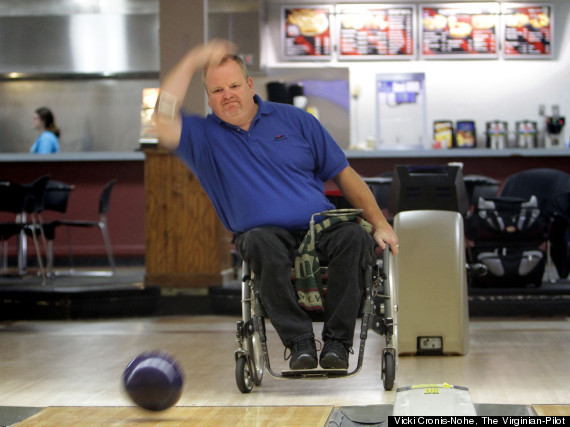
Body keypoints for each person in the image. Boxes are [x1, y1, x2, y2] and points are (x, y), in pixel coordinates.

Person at [155, 40, 399, 371]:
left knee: (354, 238)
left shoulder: (297, 121)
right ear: (208, 97)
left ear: (250, 85)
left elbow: (345, 175)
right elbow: (162, 117)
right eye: (217, 90)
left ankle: (337, 344)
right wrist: (192, 59)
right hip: (262, 234)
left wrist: (381, 224)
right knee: (258, 243)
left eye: (234, 85)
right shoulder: (203, 137)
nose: (227, 94)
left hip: (319, 226)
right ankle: (299, 342)